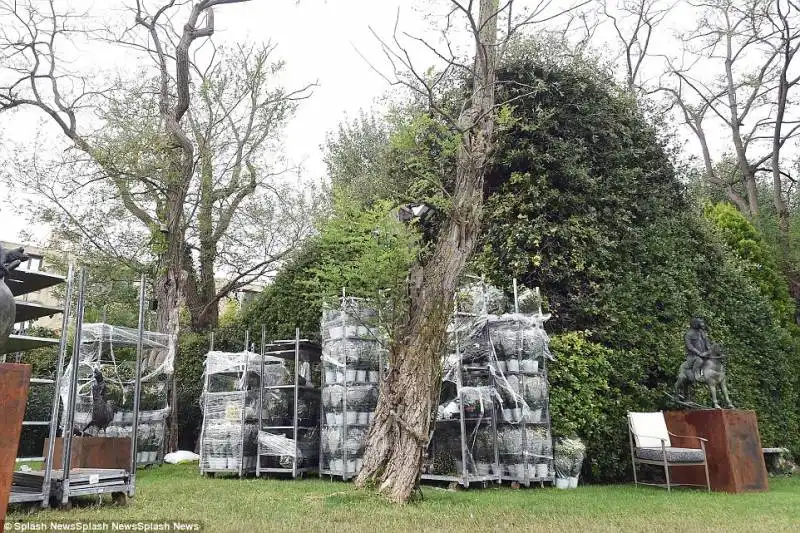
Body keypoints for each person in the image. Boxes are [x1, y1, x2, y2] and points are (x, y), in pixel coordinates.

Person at [685, 317, 711, 382]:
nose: (702, 324)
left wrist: (709, 350)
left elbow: (706, 341)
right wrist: (699, 353)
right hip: (693, 356)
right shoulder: (689, 334)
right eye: (700, 323)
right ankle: (695, 376)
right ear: (696, 323)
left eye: (702, 322)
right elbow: (689, 346)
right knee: (700, 361)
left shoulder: (702, 332)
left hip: (704, 353)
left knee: (714, 359)